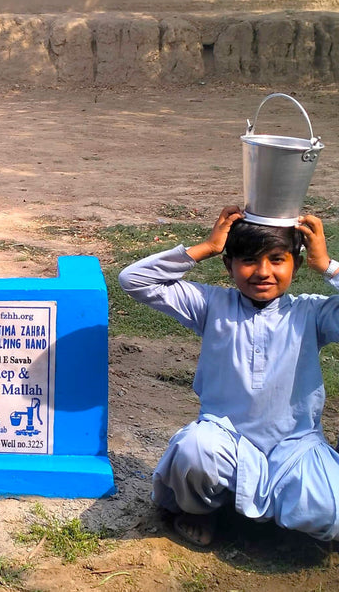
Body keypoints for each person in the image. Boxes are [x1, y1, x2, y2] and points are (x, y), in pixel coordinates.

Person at [118, 206, 339, 547]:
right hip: (224, 440)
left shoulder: (311, 313)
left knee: (328, 508)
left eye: (277, 259)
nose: (263, 272)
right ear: (228, 264)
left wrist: (326, 264)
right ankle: (200, 509)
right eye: (249, 260)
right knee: (193, 451)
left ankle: (279, 515)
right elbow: (133, 279)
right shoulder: (211, 305)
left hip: (294, 445)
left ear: (295, 263)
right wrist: (206, 247)